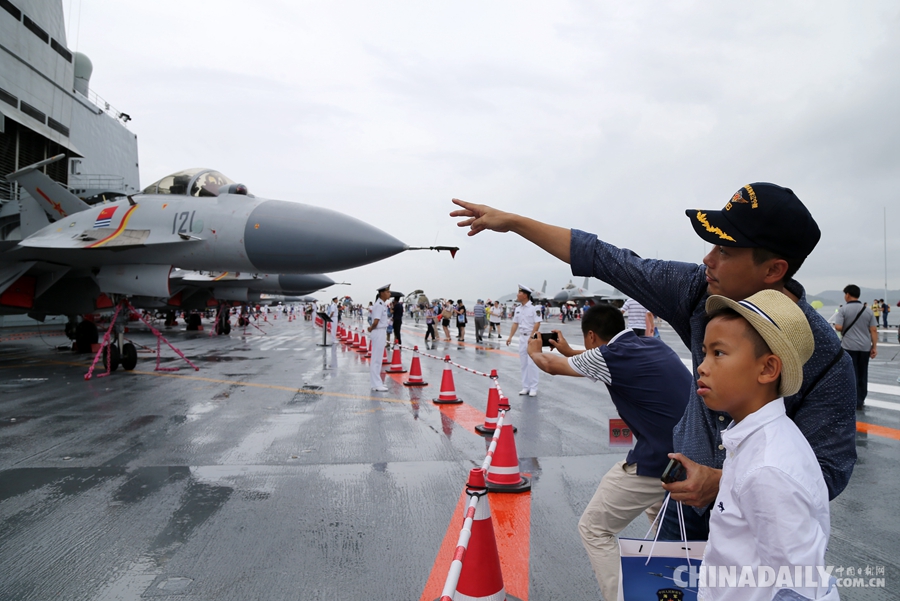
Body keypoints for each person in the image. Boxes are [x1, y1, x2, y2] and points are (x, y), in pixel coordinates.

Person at [450, 183, 856, 542]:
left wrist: (722, 483)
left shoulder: (824, 358)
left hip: (759, 529)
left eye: (725, 250)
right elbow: (609, 259)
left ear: (774, 269)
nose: (707, 260)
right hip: (681, 507)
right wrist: (515, 222)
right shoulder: (699, 291)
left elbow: (828, 470)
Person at [527, 304, 691, 601]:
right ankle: (665, 587)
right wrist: (567, 350)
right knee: (662, 526)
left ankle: (621, 597)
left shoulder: (613, 357)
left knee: (593, 528)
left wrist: (534, 350)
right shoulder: (652, 345)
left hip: (659, 461)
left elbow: (548, 365)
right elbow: (596, 361)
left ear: (591, 335)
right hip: (691, 455)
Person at [697, 290, 836, 601]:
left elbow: (798, 586)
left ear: (767, 369)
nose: (702, 366)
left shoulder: (767, 468)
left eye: (718, 353)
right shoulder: (752, 441)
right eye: (704, 352)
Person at [833, 285, 877, 410]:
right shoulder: (868, 310)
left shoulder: (843, 310)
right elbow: (873, 330)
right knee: (863, 374)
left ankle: (851, 399)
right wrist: (874, 347)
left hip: (849, 346)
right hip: (864, 347)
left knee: (851, 374)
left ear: (847, 294)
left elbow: (838, 327)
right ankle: (861, 399)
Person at [507, 284, 542, 396]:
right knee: (523, 363)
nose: (517, 295)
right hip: (522, 337)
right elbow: (515, 324)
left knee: (532, 363)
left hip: (531, 338)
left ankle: (533, 387)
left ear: (525, 295)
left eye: (519, 293)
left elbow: (537, 323)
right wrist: (510, 336)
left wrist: (532, 336)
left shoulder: (535, 308)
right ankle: (525, 386)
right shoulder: (518, 309)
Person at [367, 284, 391, 392]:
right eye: (387, 292)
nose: (389, 294)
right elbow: (376, 322)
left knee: (378, 358)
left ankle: (377, 383)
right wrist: (371, 328)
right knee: (376, 359)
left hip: (381, 331)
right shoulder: (378, 305)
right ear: (382, 293)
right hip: (378, 332)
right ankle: (376, 384)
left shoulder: (382, 305)